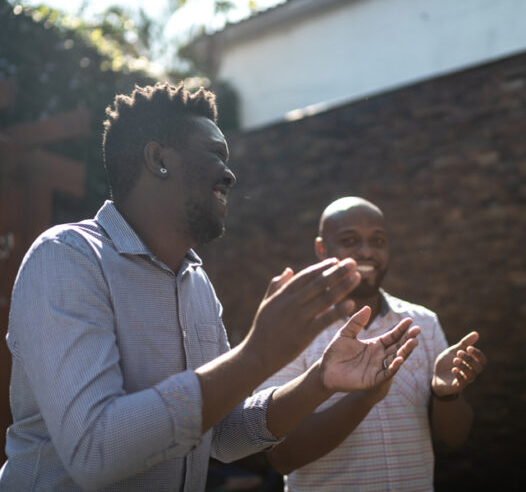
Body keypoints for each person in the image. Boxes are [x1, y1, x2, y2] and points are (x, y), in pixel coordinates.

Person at [0, 85, 420, 492]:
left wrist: (319, 381)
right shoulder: (66, 258)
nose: (231, 173)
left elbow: (223, 436)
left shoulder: (197, 284)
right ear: (159, 158)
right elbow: (95, 451)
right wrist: (256, 356)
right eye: (216, 154)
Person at [258, 196, 487, 491]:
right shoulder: (294, 330)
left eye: (377, 241)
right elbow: (282, 457)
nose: (366, 251)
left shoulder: (423, 323)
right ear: (321, 248)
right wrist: (365, 398)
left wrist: (446, 396)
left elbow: (454, 438)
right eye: (349, 240)